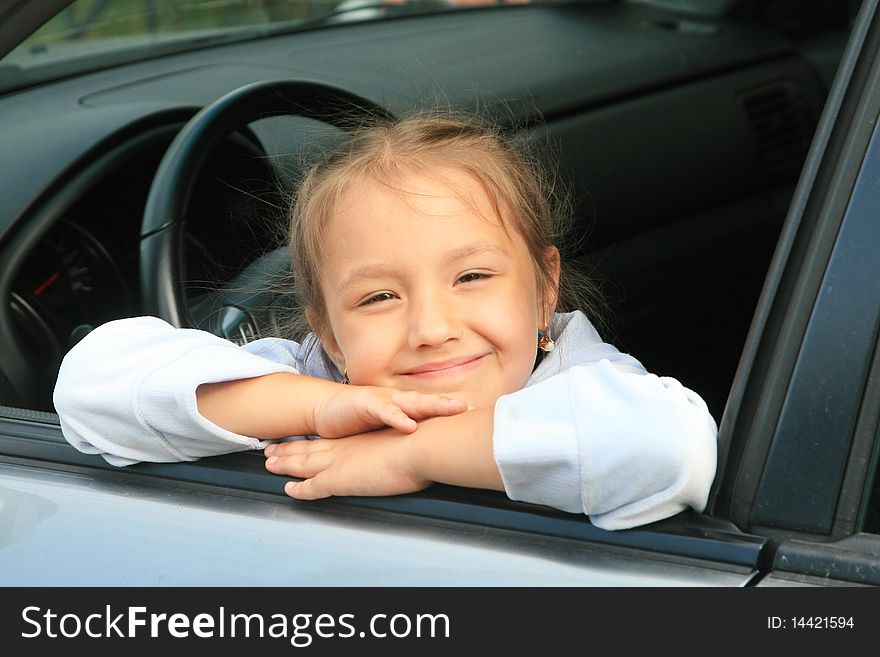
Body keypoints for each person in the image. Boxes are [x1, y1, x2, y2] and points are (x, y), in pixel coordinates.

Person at [53, 113, 717, 531]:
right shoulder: (318, 376)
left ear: (545, 290)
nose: (430, 327)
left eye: (473, 276)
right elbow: (89, 385)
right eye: (377, 298)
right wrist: (324, 405)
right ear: (331, 330)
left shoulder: (582, 382)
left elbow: (671, 446)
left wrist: (411, 453)